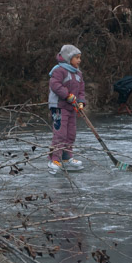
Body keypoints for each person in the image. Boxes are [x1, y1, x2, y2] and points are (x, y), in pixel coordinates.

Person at [48, 44, 86, 174]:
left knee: (71, 133)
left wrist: (81, 102)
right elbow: (55, 85)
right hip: (58, 107)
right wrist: (67, 95)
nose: (79, 60)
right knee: (60, 133)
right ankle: (55, 159)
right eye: (77, 58)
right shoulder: (59, 70)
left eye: (80, 58)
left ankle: (66, 158)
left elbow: (81, 91)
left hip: (71, 108)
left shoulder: (78, 73)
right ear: (68, 58)